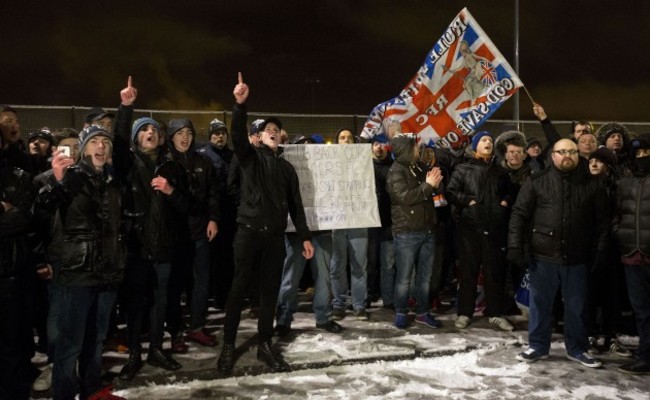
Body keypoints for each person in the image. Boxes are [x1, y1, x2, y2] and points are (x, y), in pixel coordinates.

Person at [217, 73, 314, 374]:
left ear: (281, 137)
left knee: (269, 292)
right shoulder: (249, 158)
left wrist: (306, 236)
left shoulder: (287, 169)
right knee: (238, 289)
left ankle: (264, 346)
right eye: (268, 129)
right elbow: (236, 137)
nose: (272, 132)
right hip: (248, 233)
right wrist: (239, 105)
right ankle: (228, 346)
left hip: (274, 237)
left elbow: (297, 206)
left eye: (277, 129)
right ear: (259, 137)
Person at [35, 125, 126, 400]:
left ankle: (91, 388)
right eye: (94, 141)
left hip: (107, 271)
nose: (101, 146)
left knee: (96, 338)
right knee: (70, 343)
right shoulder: (70, 177)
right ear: (84, 148)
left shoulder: (113, 180)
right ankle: (63, 394)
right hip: (76, 272)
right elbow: (41, 213)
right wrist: (57, 181)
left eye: (105, 142)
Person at [112, 77, 190, 380]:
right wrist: (126, 107)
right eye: (144, 130)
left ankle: (157, 349)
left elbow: (187, 207)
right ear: (136, 139)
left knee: (161, 299)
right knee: (136, 299)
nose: (150, 133)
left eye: (154, 130)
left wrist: (171, 191)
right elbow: (117, 141)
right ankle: (134, 352)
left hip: (165, 243)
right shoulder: (128, 163)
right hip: (135, 240)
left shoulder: (172, 167)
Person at [510, 139, 609, 368]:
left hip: (578, 257)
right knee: (540, 304)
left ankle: (577, 348)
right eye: (562, 151)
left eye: (572, 152)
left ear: (578, 155)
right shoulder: (536, 181)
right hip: (542, 256)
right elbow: (519, 215)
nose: (567, 155)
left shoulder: (592, 185)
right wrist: (515, 246)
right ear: (552, 155)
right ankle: (537, 345)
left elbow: (603, 223)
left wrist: (600, 251)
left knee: (577, 306)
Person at [446, 131, 515, 331]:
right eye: (484, 140)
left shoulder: (501, 171)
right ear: (475, 145)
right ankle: (464, 313)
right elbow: (451, 191)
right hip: (470, 229)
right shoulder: (463, 168)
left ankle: (495, 313)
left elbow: (511, 192)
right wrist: (468, 201)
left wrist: (505, 202)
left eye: (490, 140)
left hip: (495, 230)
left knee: (494, 273)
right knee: (468, 273)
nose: (488, 142)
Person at [276, 135, 342, 335]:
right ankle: (283, 319)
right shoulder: (285, 170)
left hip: (321, 230)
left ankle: (323, 317)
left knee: (323, 278)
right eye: (302, 148)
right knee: (290, 278)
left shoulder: (328, 172)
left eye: (311, 147)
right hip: (295, 232)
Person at [165, 119, 220, 352]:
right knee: (175, 285)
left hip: (199, 232)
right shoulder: (164, 162)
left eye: (188, 132)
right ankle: (176, 331)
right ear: (171, 136)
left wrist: (214, 219)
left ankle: (196, 326)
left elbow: (213, 195)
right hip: (174, 235)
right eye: (179, 133)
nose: (184, 137)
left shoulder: (203, 161)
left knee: (201, 282)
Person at [387, 134, 444, 329]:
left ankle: (422, 311)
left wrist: (434, 183)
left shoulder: (420, 167)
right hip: (406, 231)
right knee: (404, 276)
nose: (418, 150)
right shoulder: (396, 172)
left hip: (427, 230)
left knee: (424, 277)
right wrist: (428, 185)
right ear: (405, 149)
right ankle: (401, 311)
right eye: (415, 147)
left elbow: (433, 189)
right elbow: (406, 197)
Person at [0, 131, 38, 400]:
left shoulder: (20, 177)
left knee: (13, 340)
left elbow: (24, 219)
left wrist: (11, 211)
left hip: (12, 271)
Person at [613, 133, 650, 375]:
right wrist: (619, 233)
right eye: (638, 154)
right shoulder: (625, 182)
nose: (642, 157)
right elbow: (617, 214)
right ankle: (645, 356)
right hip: (631, 254)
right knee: (642, 310)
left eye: (646, 153)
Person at [196, 119, 237, 310]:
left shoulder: (232, 155)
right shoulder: (203, 155)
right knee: (210, 257)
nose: (219, 136)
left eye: (222, 133)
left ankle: (224, 295)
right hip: (210, 213)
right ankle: (210, 295)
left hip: (230, 213)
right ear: (209, 135)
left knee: (227, 256)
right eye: (215, 133)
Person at [330, 128, 369, 320]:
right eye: (342, 138)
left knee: (359, 265)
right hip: (337, 220)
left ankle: (359, 304)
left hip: (359, 219)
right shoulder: (327, 163)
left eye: (349, 138)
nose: (346, 141)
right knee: (337, 265)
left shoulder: (363, 162)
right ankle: (339, 303)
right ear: (337, 142)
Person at [368, 138, 395, 308]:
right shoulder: (365, 165)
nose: (379, 147)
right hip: (370, 221)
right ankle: (369, 294)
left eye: (382, 144)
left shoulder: (394, 167)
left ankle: (388, 298)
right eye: (376, 144)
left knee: (388, 264)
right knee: (370, 263)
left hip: (389, 222)